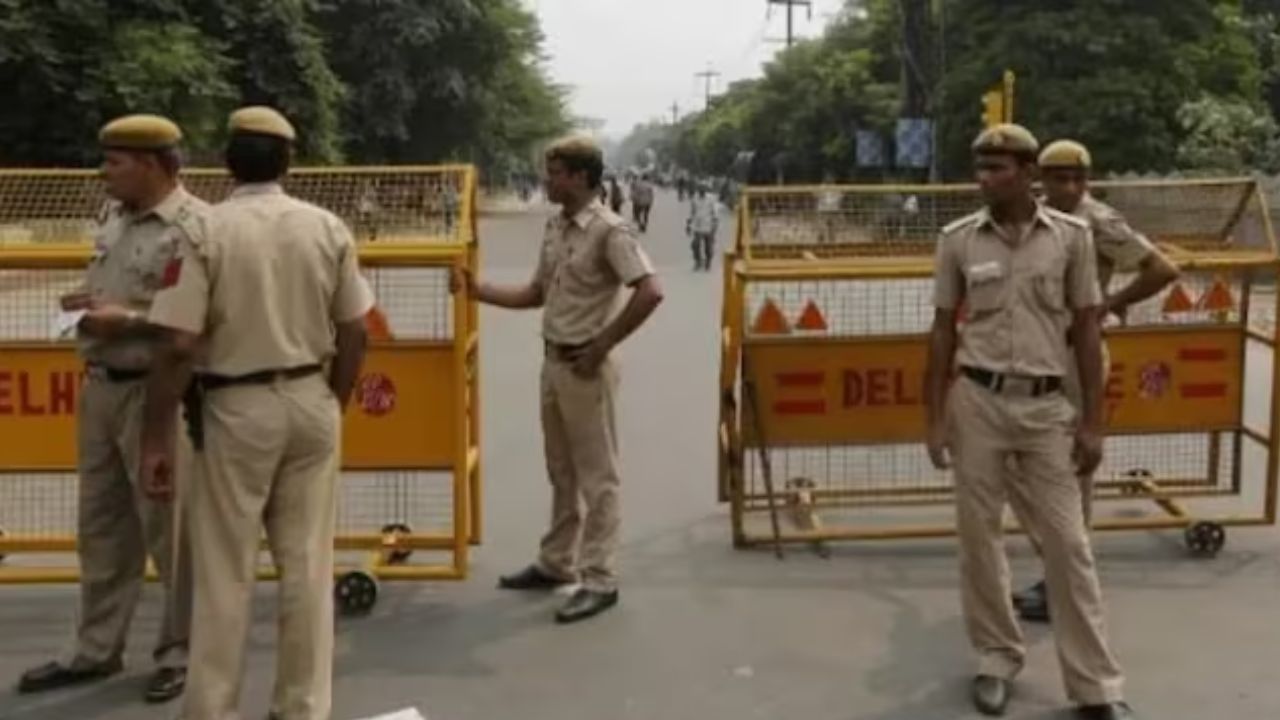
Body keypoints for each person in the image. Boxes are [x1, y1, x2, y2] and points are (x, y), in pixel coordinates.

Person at [139, 106, 373, 720]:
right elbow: (355, 330)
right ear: (289, 162)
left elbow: (179, 343)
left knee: (224, 570)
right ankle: (301, 707)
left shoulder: (201, 231)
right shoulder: (326, 227)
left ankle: (213, 708)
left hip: (233, 406)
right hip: (309, 398)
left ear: (225, 162)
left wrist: (156, 437)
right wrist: (333, 401)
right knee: (307, 567)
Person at [923, 124, 1135, 720]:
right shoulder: (958, 241)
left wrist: (1094, 421)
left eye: (995, 168)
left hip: (1047, 409)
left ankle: (1096, 687)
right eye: (979, 167)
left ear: (1025, 174)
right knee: (979, 541)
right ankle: (995, 656)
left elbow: (1088, 328)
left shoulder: (1071, 239)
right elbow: (942, 331)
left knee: (1069, 545)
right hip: (978, 401)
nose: (983, 178)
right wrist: (933, 418)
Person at [17, 114, 198, 704]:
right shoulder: (114, 220)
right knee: (100, 526)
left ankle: (182, 651)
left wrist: (129, 320)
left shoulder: (192, 229)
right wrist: (88, 306)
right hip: (100, 386)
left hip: (157, 392)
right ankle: (95, 649)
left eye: (115, 162)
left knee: (169, 529)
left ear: (151, 164)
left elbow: (196, 323)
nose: (104, 173)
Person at [458, 135, 663, 624]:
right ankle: (556, 562)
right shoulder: (557, 228)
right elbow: (536, 293)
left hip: (585, 366)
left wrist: (602, 345)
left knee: (598, 477)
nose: (546, 181)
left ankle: (599, 578)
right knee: (561, 471)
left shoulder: (610, 231)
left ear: (579, 177)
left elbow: (650, 291)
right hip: (554, 363)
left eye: (553, 173)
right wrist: (477, 291)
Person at [1011, 140, 1179, 623]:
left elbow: (1163, 269)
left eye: (1077, 178)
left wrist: (1110, 304)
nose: (1068, 187)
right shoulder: (1034, 216)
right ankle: (1061, 572)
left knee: (1072, 472)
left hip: (1073, 358)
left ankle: (1067, 583)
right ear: (1038, 177)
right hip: (1034, 358)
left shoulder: (1097, 220)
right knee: (1026, 467)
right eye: (1057, 177)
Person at [687, 183, 719, 271]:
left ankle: (708, 262)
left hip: (708, 225)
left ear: (706, 189)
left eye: (703, 189)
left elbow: (715, 212)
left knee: (708, 246)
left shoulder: (711, 199)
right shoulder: (695, 198)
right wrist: (688, 224)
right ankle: (697, 261)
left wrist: (715, 224)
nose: (702, 191)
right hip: (698, 226)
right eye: (700, 189)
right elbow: (692, 211)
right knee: (695, 245)